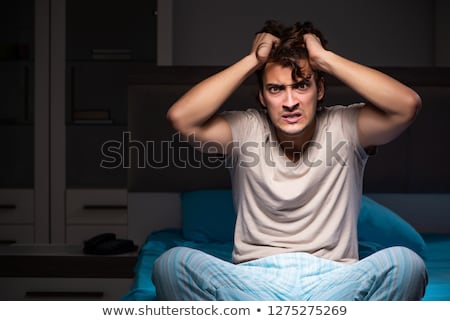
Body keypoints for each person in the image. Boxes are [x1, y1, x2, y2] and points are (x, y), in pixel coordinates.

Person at [153, 20, 428, 300]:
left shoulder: (346, 126)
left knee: (405, 264)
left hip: (334, 282)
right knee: (172, 265)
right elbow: (181, 118)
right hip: (253, 283)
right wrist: (251, 61)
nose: (289, 101)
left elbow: (406, 106)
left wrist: (324, 59)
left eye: (301, 86)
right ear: (262, 96)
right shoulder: (244, 128)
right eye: (275, 89)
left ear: (319, 90)